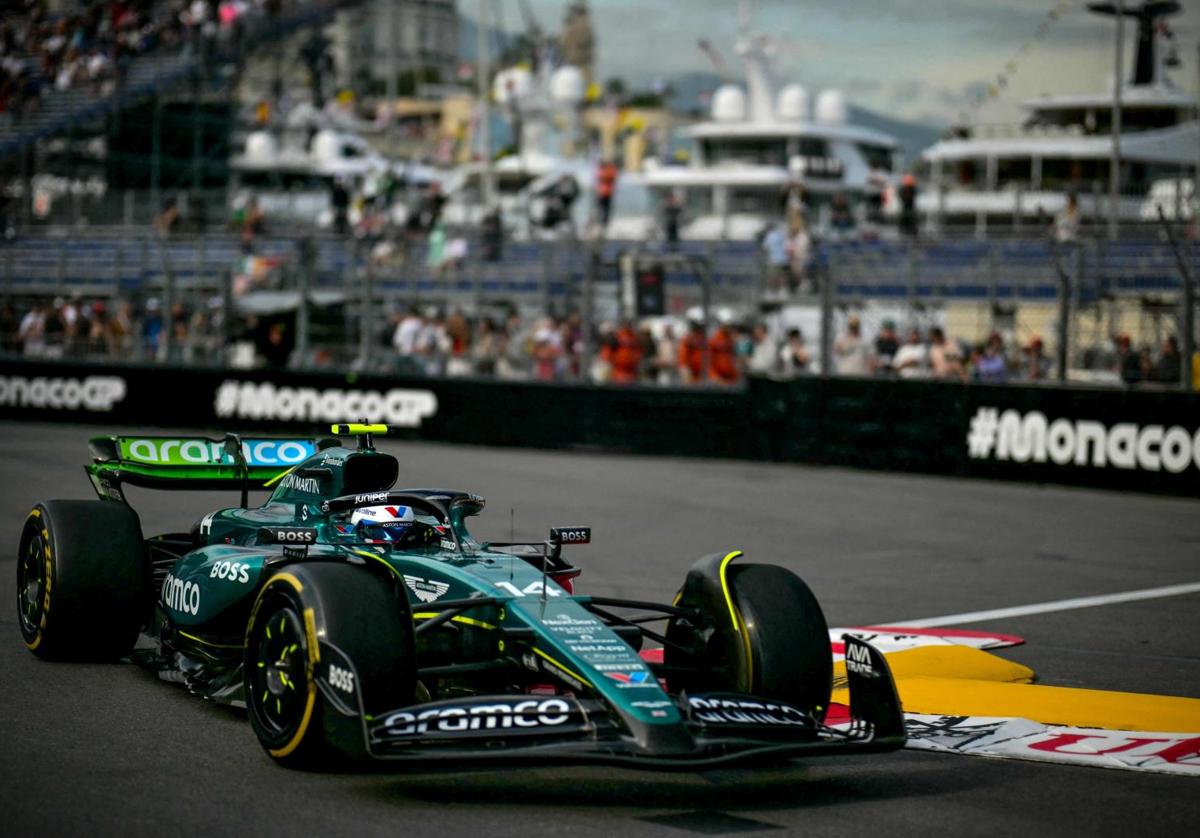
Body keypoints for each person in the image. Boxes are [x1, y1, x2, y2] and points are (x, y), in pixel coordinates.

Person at [595, 158, 619, 228]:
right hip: (603, 192)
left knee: (605, 208)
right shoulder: (608, 170)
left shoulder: (608, 170)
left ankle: (604, 222)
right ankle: (601, 222)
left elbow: (605, 177)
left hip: (606, 192)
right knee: (602, 208)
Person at [898, 173, 918, 238]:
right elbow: (902, 196)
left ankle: (910, 230)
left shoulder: (912, 189)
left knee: (910, 218)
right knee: (905, 218)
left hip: (910, 207)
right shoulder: (904, 189)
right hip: (906, 207)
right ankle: (904, 230)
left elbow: (912, 196)